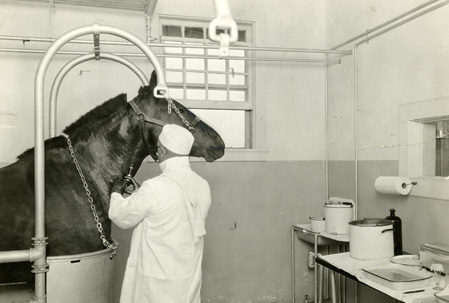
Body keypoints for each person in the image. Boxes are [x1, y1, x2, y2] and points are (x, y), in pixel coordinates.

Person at [109, 124, 212, 303]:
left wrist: (116, 193)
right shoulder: (202, 185)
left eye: (157, 150)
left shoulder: (155, 187)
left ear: (163, 151)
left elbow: (121, 216)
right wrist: (143, 197)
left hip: (157, 279)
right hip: (188, 276)